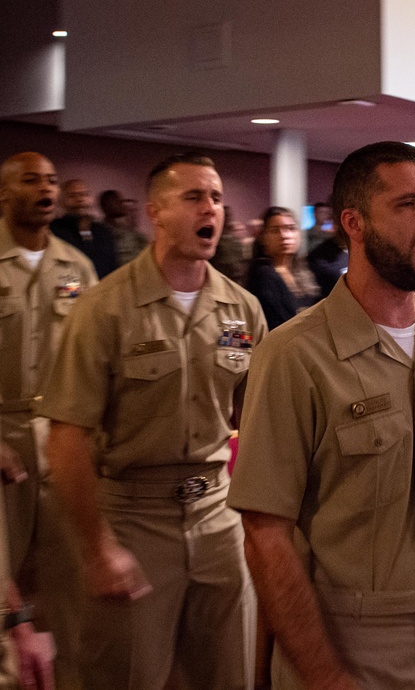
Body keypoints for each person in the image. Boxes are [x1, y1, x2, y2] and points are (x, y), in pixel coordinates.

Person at [227, 141, 415, 689]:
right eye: (407, 204)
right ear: (353, 224)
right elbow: (265, 534)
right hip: (351, 639)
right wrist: (326, 675)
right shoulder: (295, 355)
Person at [39, 152, 266, 690]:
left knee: (230, 674)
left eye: (215, 197)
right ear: (155, 213)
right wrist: (97, 549)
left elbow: (257, 425)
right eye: (193, 197)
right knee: (128, 676)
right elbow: (67, 438)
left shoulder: (242, 310)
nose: (210, 208)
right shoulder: (104, 309)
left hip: (217, 516)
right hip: (133, 520)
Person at [0, 152, 98, 687]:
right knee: (2, 584)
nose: (45, 188)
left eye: (52, 180)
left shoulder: (76, 268)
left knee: (68, 583)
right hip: (4, 436)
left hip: (62, 438)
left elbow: (91, 364)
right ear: (4, 193)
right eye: (30, 180)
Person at [247, 206, 322, 330]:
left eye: (290, 229)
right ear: (264, 237)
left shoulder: (302, 271)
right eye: (275, 230)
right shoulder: (263, 275)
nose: (284, 235)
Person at [50, 178, 119, 278]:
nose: (79, 199)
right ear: (61, 201)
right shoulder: (54, 229)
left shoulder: (102, 230)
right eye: (72, 196)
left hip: (103, 288)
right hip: (71, 286)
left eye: (84, 194)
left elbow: (111, 264)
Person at [99, 189, 149, 266]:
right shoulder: (101, 231)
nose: (121, 204)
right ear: (106, 205)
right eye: (116, 201)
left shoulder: (126, 229)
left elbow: (145, 251)